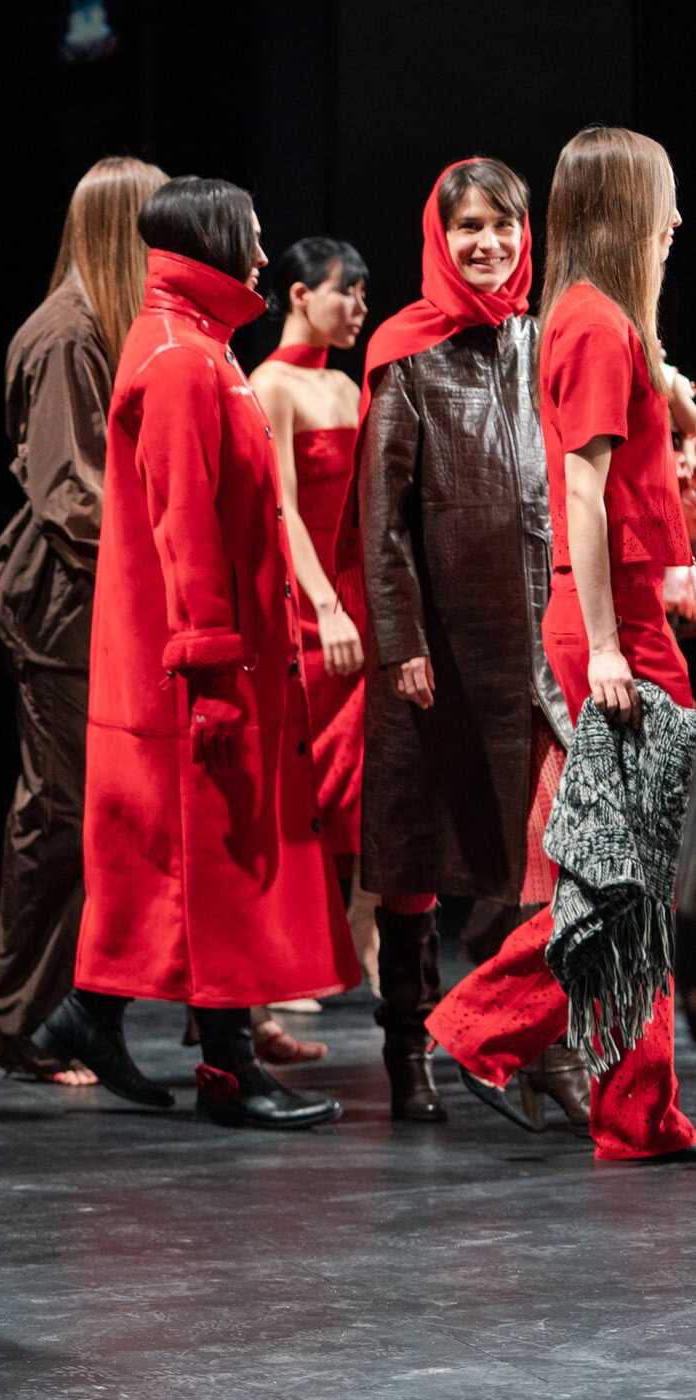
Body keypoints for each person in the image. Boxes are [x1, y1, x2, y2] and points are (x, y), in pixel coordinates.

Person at [33, 177, 357, 1131]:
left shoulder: (197, 345)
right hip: (197, 669)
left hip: (206, 660)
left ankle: (90, 1017)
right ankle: (224, 1068)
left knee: (198, 863)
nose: (260, 257)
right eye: (249, 239)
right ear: (213, 243)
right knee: (216, 864)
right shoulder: (181, 359)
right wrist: (212, 671)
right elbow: (188, 529)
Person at [428, 127, 693, 1161]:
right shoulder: (592, 325)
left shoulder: (603, 321)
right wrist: (614, 646)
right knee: (617, 876)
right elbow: (580, 494)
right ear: (627, 209)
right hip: (609, 626)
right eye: (663, 203)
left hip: (624, 615)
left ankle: (636, 1109)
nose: (675, 223)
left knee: (633, 880)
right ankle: (478, 1026)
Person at [355, 158, 579, 1125]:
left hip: (536, 647)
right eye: (468, 227)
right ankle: (408, 1050)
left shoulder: (545, 339)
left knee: (549, 853)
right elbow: (382, 520)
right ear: (439, 239)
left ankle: (537, 1047)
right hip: (438, 651)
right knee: (415, 862)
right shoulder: (406, 351)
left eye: (503, 224)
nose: (487, 243)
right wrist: (400, 638)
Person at [0, 155, 166, 1086]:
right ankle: (28, 1025)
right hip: (63, 607)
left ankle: (77, 1015)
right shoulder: (67, 333)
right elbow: (69, 496)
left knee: (102, 817)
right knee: (60, 812)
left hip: (98, 601)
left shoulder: (109, 325)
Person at [244, 235, 374, 1065]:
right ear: (298, 295)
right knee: (300, 790)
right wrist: (324, 604)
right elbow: (282, 508)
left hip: (357, 607)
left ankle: (357, 937)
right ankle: (267, 976)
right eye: (345, 292)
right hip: (306, 611)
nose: (358, 307)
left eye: (362, 294)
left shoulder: (347, 386)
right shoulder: (272, 385)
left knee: (364, 784)